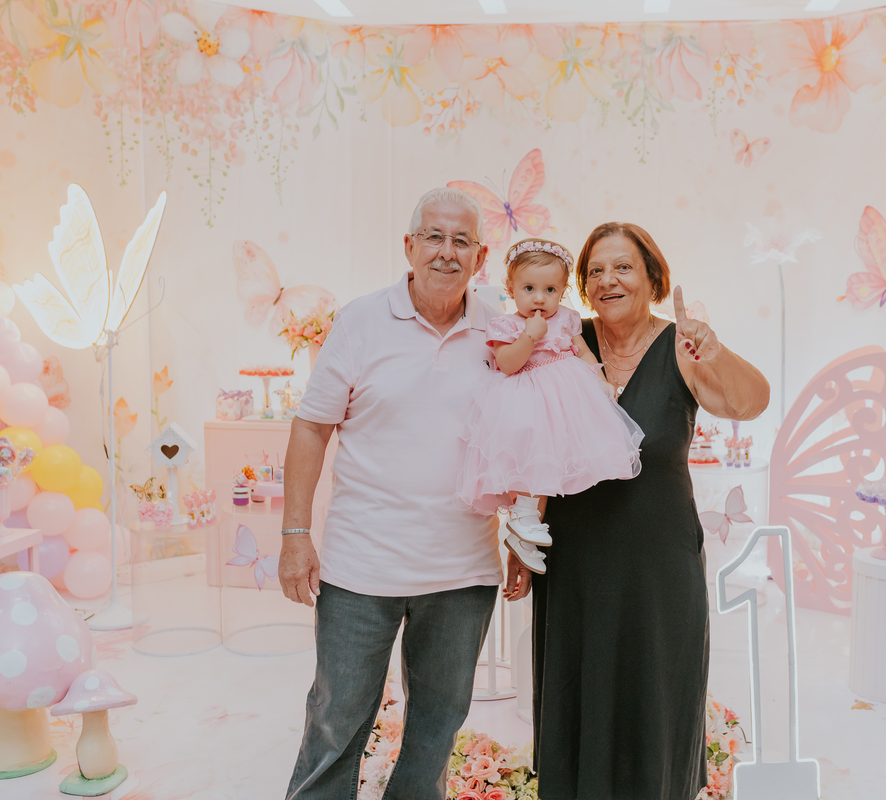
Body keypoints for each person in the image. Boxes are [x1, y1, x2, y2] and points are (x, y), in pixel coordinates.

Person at [505, 222, 770, 800]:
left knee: (657, 701)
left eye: (623, 267)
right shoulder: (564, 341)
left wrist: (714, 350)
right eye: (595, 271)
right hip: (575, 562)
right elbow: (537, 446)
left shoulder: (681, 346)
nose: (608, 280)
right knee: (577, 698)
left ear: (653, 278)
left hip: (659, 567)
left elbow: (750, 402)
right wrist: (523, 541)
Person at [280, 188, 504, 800]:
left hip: (463, 571)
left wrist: (524, 535)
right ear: (409, 246)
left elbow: (529, 435)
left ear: (480, 256)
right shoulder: (360, 321)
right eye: (434, 237)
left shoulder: (503, 331)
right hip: (362, 567)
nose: (447, 252)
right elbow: (311, 427)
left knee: (436, 728)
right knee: (337, 721)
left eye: (462, 241)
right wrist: (295, 534)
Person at [456, 237, 643, 574]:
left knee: (549, 464)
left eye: (550, 290)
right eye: (529, 289)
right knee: (528, 458)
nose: (540, 298)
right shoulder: (506, 325)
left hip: (563, 401)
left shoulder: (567, 319)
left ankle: (526, 532)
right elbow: (507, 364)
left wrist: (599, 380)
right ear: (511, 289)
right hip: (523, 400)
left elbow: (583, 352)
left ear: (562, 291)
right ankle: (523, 517)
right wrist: (530, 334)